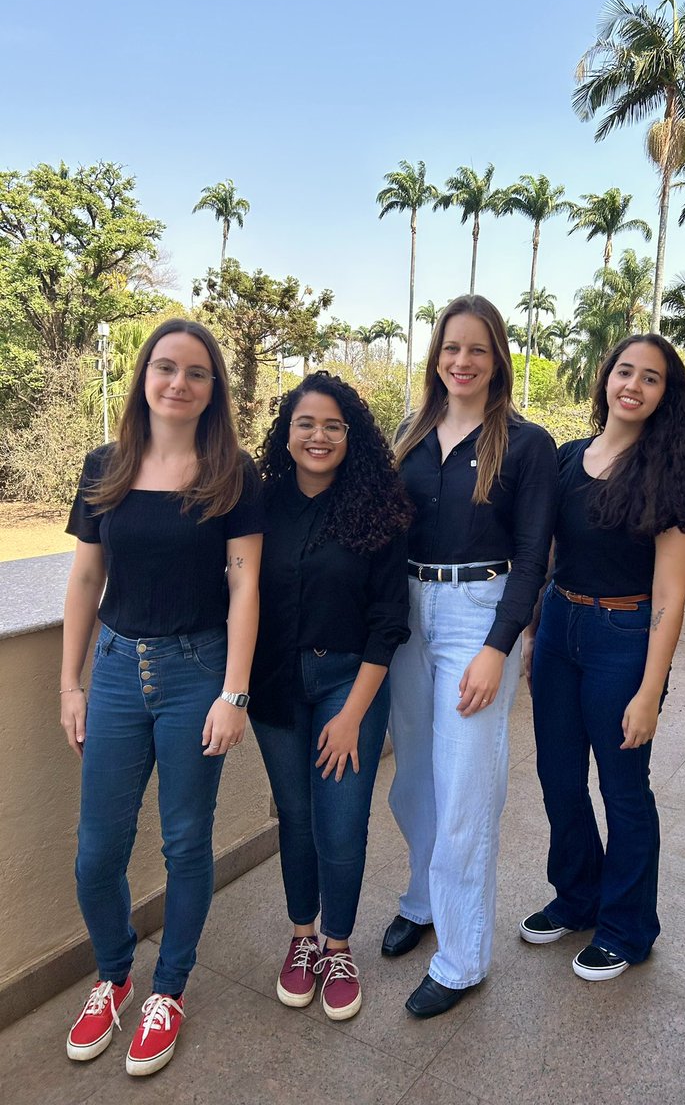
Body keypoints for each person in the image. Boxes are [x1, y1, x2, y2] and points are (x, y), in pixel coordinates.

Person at [61, 319, 264, 1076]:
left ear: (214, 391)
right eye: (166, 367)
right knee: (96, 852)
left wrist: (233, 694)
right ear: (144, 375)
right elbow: (85, 580)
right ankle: (114, 976)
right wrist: (69, 684)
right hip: (113, 671)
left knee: (185, 842)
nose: (178, 383)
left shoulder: (234, 474)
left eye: (197, 373)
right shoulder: (103, 466)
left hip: (195, 671)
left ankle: (168, 989)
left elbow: (245, 586)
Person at [519, 335, 685, 980]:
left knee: (623, 787)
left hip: (624, 638)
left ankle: (629, 927)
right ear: (606, 379)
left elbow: (671, 592)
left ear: (666, 394)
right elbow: (547, 555)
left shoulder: (674, 476)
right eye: (624, 371)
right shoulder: (569, 458)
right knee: (557, 773)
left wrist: (649, 690)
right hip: (559, 630)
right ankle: (578, 896)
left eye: (651, 378)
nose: (633, 385)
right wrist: (530, 635)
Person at [384, 294, 557, 1018]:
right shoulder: (411, 435)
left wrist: (497, 646)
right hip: (408, 615)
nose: (462, 361)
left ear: (498, 360)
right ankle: (423, 900)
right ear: (436, 357)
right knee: (416, 780)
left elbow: (531, 556)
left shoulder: (525, 443)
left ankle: (462, 959)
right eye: (451, 348)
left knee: (466, 790)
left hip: (476, 617)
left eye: (477, 349)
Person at [249, 371, 412, 1022]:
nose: (318, 436)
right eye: (305, 424)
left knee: (340, 824)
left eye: (333, 425)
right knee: (296, 819)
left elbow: (389, 621)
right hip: (276, 686)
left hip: (352, 683)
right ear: (286, 433)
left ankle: (338, 946)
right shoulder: (259, 502)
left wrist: (352, 715)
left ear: (352, 436)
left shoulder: (379, 505)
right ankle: (302, 940)